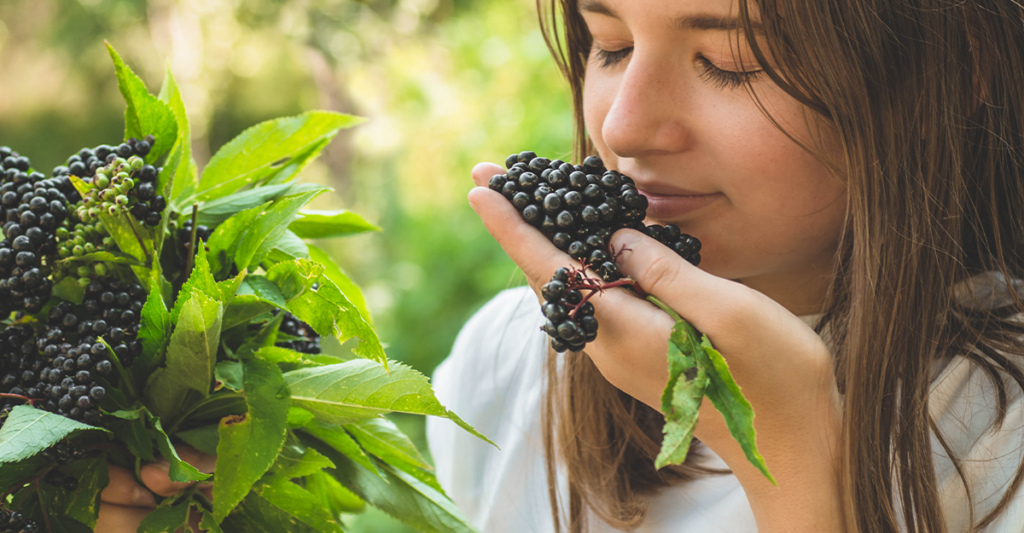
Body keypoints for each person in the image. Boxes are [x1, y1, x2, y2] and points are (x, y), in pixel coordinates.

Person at [426, 0, 1024, 532]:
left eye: (731, 61)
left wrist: (790, 448)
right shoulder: (504, 366)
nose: (623, 127)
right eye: (612, 47)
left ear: (947, 73)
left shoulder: (1001, 436)